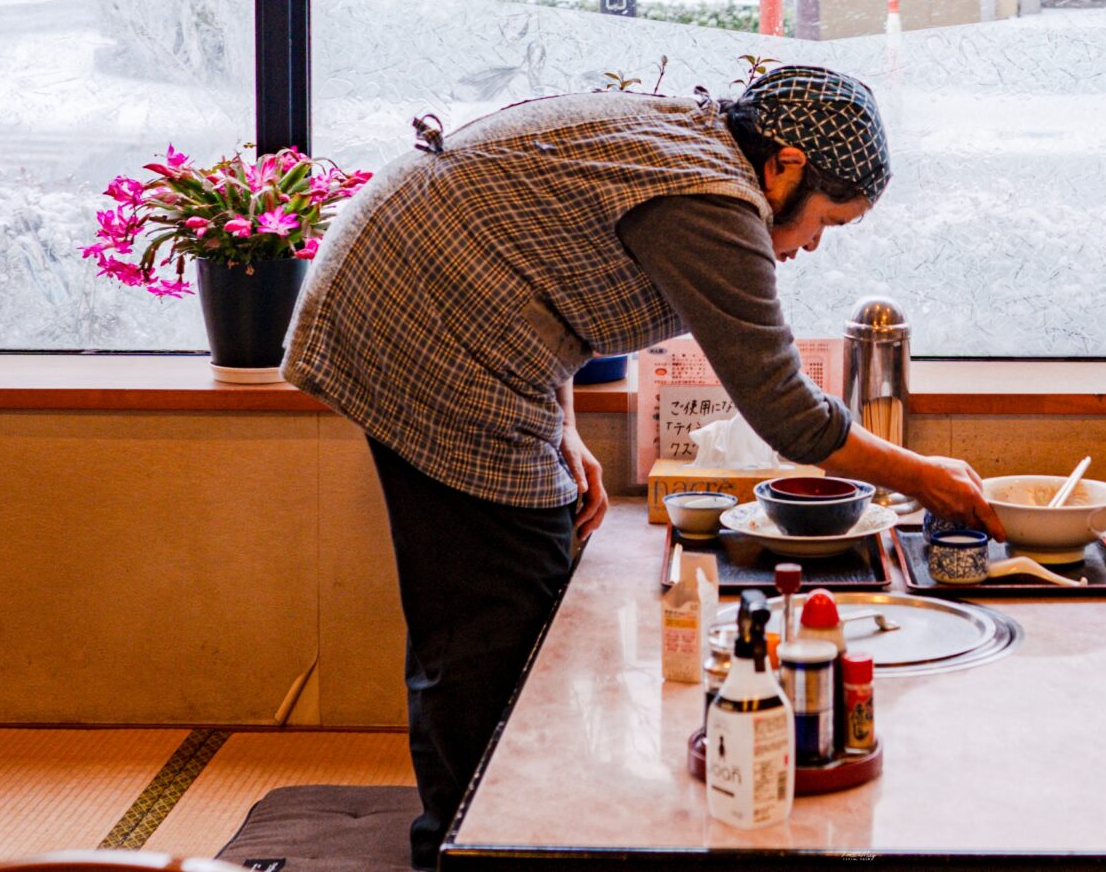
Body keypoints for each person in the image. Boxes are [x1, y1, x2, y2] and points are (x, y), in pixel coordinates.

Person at [283, 65, 996, 866]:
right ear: (785, 164)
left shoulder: (692, 141)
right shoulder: (713, 202)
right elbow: (784, 406)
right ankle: (466, 847)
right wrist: (925, 477)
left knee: (500, 601)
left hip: (447, 301)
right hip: (422, 322)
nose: (812, 244)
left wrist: (564, 422)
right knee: (495, 616)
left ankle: (498, 827)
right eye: (826, 218)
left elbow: (531, 248)